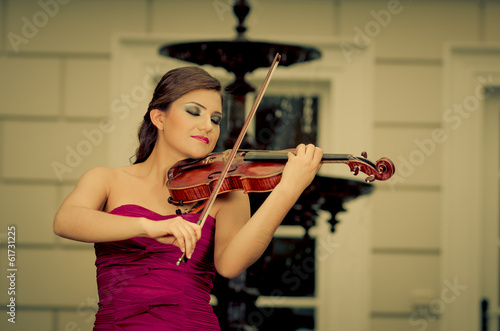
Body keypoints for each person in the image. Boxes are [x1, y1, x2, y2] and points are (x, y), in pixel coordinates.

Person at [53, 66, 323, 330]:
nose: (208, 126)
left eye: (216, 119)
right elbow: (66, 221)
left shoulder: (225, 192)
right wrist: (150, 226)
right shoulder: (106, 179)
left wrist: (288, 190)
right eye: (194, 111)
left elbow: (230, 265)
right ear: (159, 118)